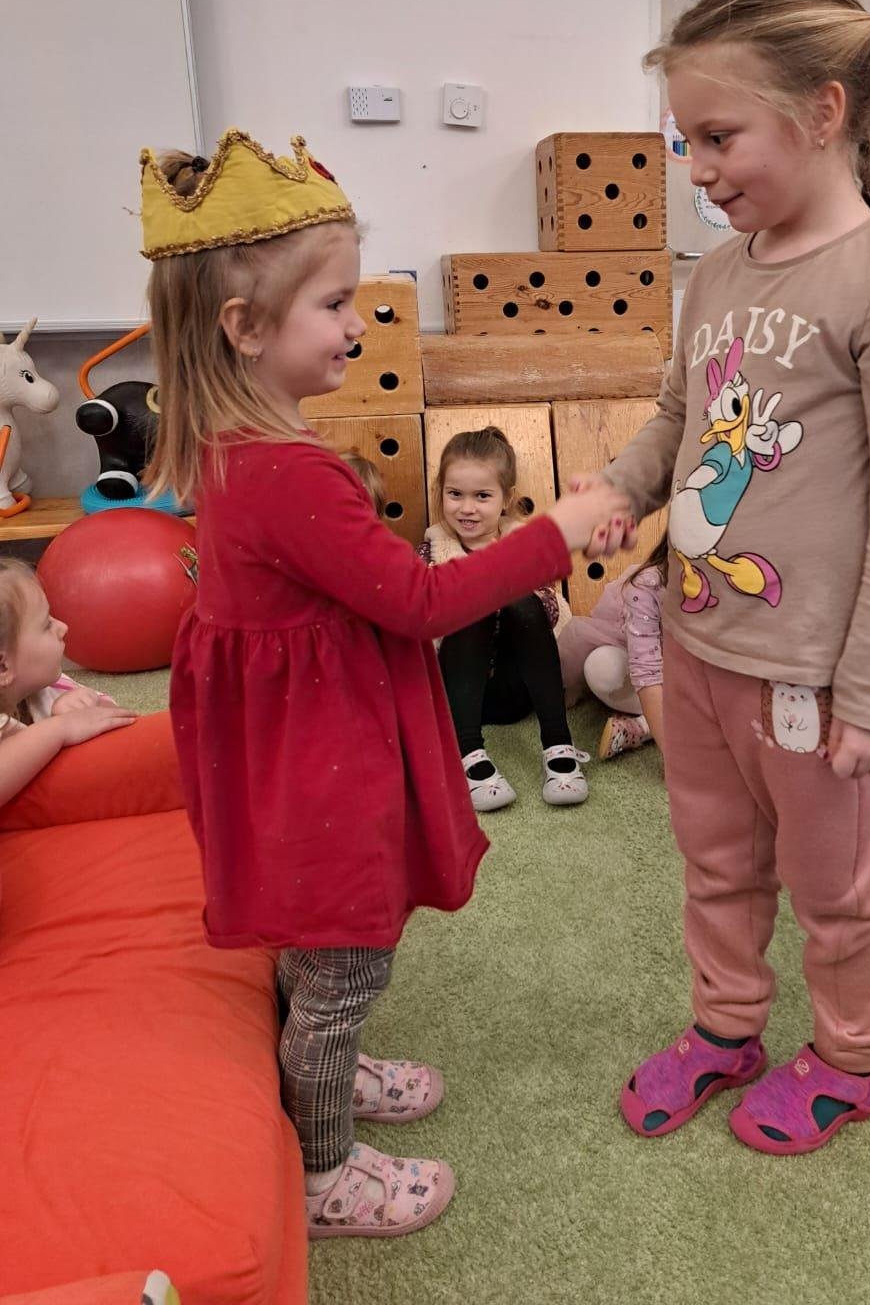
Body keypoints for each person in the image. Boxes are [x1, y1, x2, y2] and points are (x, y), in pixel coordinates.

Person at [140, 129, 631, 1238]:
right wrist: (552, 531)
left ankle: (324, 1063)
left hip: (293, 743)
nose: (358, 323)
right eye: (333, 304)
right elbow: (420, 601)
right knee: (346, 963)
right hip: (321, 757)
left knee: (321, 947)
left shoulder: (232, 445)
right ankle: (323, 1170)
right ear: (245, 327)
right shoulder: (289, 473)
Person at [583, 0, 870, 1154]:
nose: (695, 170)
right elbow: (679, 414)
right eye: (684, 141)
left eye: (717, 137)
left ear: (822, 112)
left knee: (834, 890)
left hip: (815, 677)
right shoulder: (717, 273)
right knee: (716, 862)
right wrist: (623, 486)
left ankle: (852, 1058)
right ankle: (727, 1025)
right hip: (700, 642)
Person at [420, 426, 589, 811]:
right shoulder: (432, 550)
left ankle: (558, 745)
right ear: (441, 492)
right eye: (455, 494)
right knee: (467, 599)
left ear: (505, 499)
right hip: (458, 694)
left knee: (519, 599)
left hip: (517, 691)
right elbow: (418, 617)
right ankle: (468, 753)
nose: (467, 508)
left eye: (482, 496)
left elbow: (553, 614)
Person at [0, 557, 134, 806]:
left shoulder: (49, 686)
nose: (63, 627)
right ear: (2, 666)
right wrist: (59, 729)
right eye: (46, 625)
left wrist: (91, 705)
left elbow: (124, 724)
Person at [557, 532, 666, 761]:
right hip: (649, 671)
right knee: (601, 666)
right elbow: (646, 668)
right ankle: (654, 723)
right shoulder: (648, 585)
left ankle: (642, 727)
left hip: (700, 682)